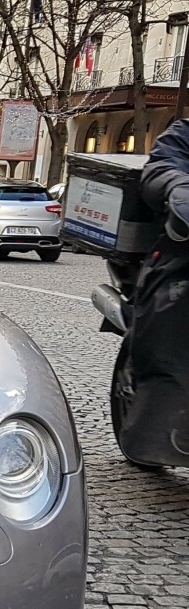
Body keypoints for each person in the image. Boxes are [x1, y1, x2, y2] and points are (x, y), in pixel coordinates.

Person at [112, 120, 189, 466]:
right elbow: (162, 166)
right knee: (170, 307)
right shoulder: (184, 134)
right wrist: (178, 186)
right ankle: (157, 419)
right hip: (182, 249)